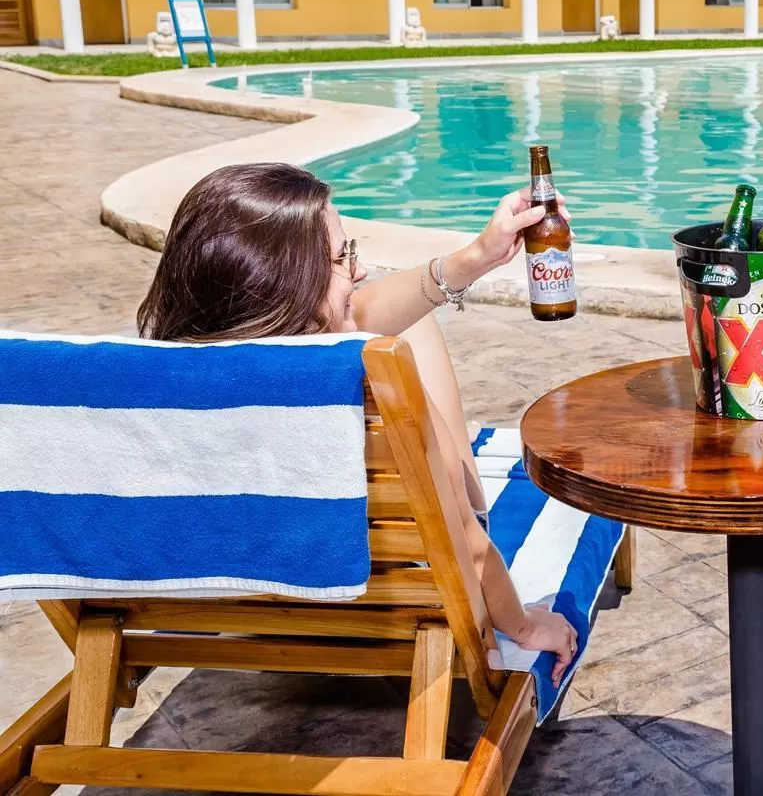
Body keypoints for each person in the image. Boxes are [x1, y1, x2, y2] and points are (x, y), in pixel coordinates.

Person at [137, 162, 580, 685]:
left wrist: (479, 257)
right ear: (289, 281)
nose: (361, 268)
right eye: (344, 256)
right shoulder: (380, 395)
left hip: (256, 602)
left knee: (369, 314)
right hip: (400, 599)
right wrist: (527, 628)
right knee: (396, 342)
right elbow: (469, 545)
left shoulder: (147, 390)